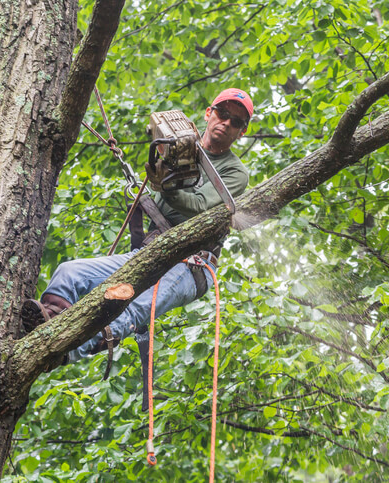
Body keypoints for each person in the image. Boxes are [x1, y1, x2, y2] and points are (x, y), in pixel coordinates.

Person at [21, 88, 252, 364]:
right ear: (208, 114)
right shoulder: (180, 146)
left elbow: (201, 206)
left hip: (191, 266)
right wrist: (158, 177)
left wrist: (163, 187)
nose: (226, 123)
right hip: (152, 252)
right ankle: (49, 321)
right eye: (223, 114)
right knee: (69, 273)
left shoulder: (235, 172)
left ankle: (64, 352)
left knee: (134, 309)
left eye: (236, 121)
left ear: (241, 132)